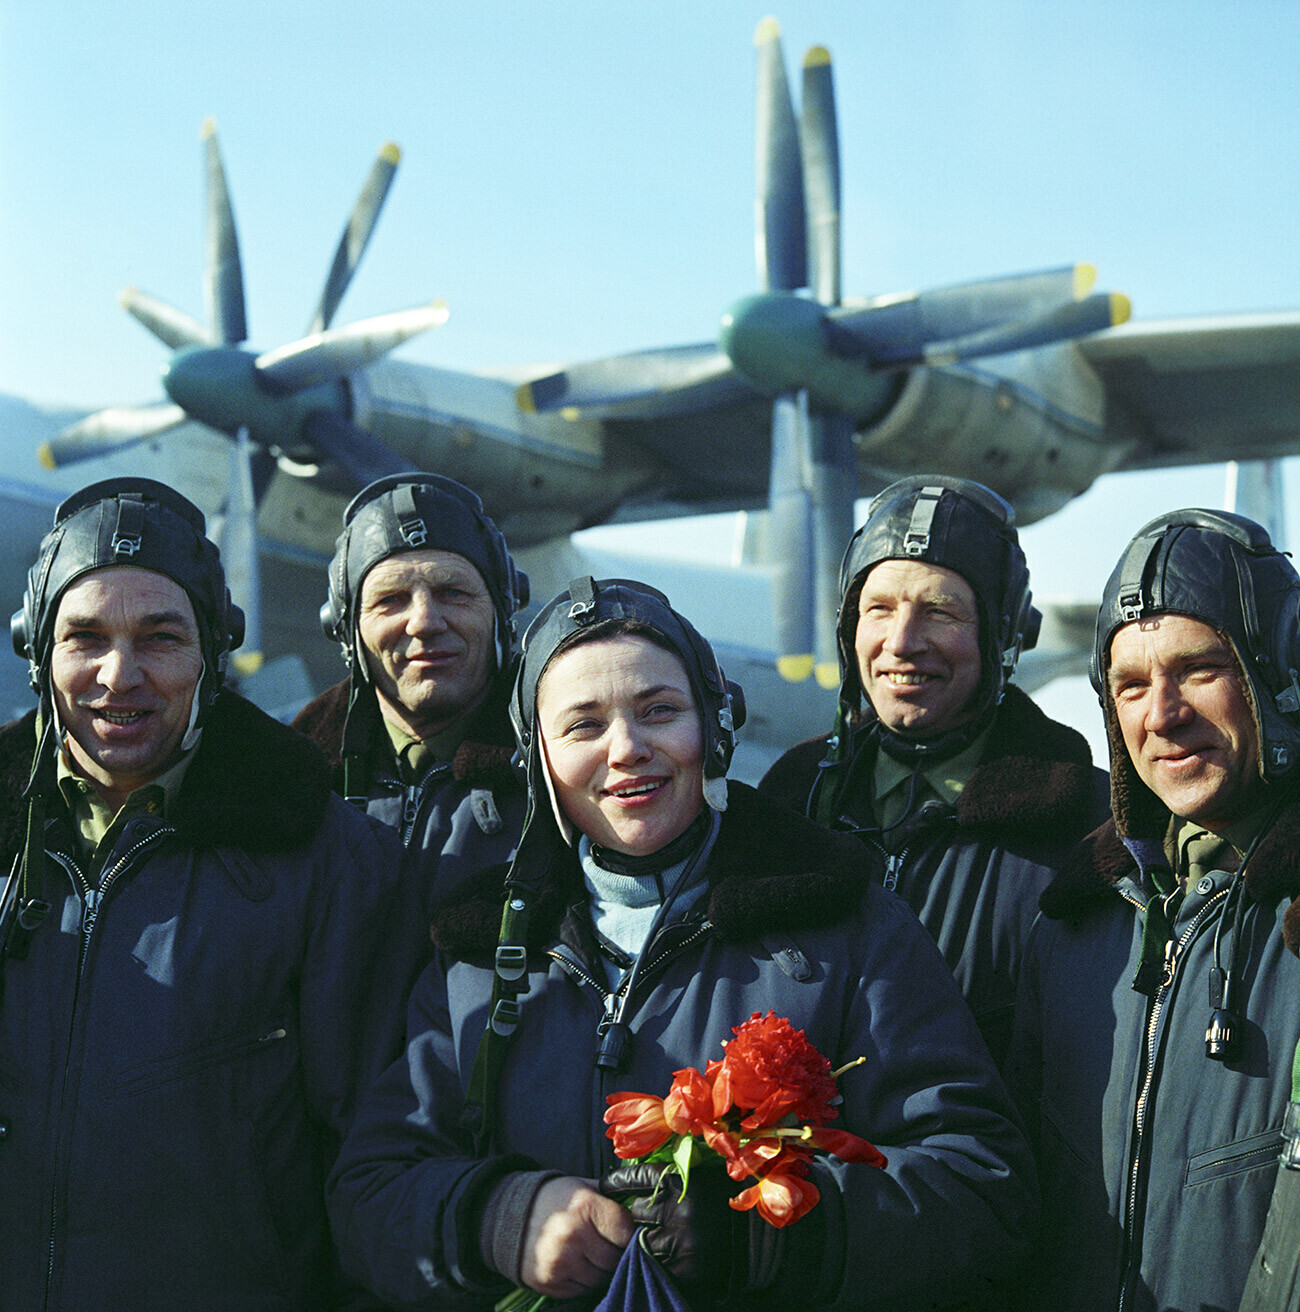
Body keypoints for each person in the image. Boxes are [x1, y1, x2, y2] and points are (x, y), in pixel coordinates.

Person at [327, 575, 1037, 1311]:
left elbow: (983, 1187)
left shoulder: (845, 923)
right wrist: (497, 1217)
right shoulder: (482, 952)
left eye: (659, 711)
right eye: (583, 726)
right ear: (537, 760)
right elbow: (369, 1192)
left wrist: (767, 1234)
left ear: (713, 726)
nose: (627, 749)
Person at [0, 478, 425, 1310]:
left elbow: (376, 1166)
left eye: (160, 638)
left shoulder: (330, 861)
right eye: (85, 638)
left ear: (212, 653)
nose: (119, 675)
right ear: (37, 650)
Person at [1008, 509, 1300, 1312]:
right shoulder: (1072, 925)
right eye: (1130, 686)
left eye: (1199, 670)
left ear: (1280, 672)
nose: (1162, 714)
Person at [760, 476, 1107, 1067]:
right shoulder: (788, 804)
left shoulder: (1087, 829)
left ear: (1001, 635)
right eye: (878, 609)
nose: (901, 642)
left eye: (940, 611)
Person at [294, 472, 529, 914]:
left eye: (453, 592)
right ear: (345, 629)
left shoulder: (563, 775)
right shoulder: (285, 789)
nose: (424, 622)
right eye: (391, 599)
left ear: (501, 612)